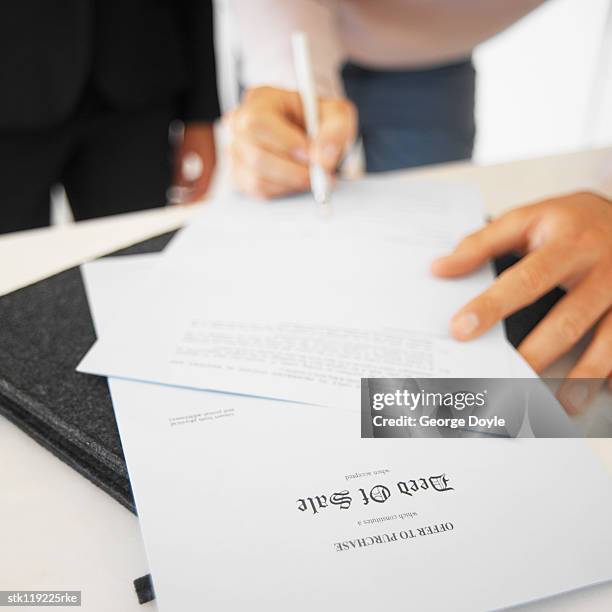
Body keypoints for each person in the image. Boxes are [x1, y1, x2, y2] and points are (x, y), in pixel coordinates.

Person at [226, 0, 612, 411]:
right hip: (290, 23)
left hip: (435, 58)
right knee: (282, 176)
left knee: (432, 242)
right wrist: (284, 77)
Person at [0, 0, 220, 235]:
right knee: (16, 265)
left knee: (136, 258)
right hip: (11, 90)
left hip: (137, 81)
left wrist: (199, 114)